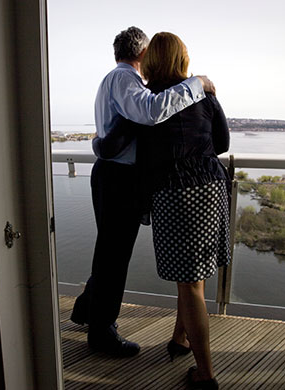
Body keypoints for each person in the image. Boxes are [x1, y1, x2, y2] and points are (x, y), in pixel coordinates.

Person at [70, 26, 216, 358]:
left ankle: (87, 311)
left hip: (116, 176)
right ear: (142, 53)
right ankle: (102, 332)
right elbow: (150, 112)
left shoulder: (119, 79)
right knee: (114, 255)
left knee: (109, 250)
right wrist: (197, 84)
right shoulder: (124, 79)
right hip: (119, 178)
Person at [135, 32, 230, 389]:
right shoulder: (204, 96)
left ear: (151, 61)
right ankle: (180, 338)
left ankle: (205, 375)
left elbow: (143, 157)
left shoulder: (149, 102)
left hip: (176, 193)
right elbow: (221, 142)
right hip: (210, 186)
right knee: (191, 278)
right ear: (183, 59)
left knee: (189, 282)